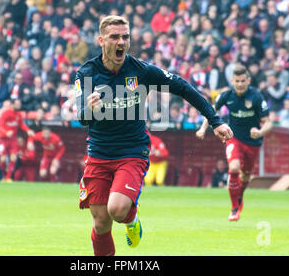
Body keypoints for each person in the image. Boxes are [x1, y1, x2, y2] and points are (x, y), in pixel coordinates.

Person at [75, 15, 233, 256]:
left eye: (125, 37)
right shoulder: (86, 73)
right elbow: (83, 117)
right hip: (98, 154)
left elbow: (182, 86)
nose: (121, 42)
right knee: (100, 223)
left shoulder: (141, 71)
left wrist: (215, 120)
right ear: (101, 40)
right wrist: (90, 109)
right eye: (115, 37)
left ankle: (131, 219)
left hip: (132, 152)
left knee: (116, 210)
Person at [196, 65, 272, 221]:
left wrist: (260, 132)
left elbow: (268, 122)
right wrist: (203, 128)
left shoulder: (256, 97)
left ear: (248, 80)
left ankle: (239, 197)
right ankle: (234, 208)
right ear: (232, 80)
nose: (240, 84)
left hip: (253, 141)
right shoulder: (226, 96)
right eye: (237, 81)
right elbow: (211, 111)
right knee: (234, 167)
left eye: (243, 81)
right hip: (234, 138)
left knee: (245, 177)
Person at [0, 99, 34, 182]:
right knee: (2, 159)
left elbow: (21, 124)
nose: (19, 106)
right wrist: (6, 132)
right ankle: (3, 176)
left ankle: (8, 177)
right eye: (17, 104)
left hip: (13, 139)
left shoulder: (18, 115)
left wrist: (28, 130)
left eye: (19, 104)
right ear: (12, 105)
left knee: (14, 158)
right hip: (3, 139)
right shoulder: (6, 114)